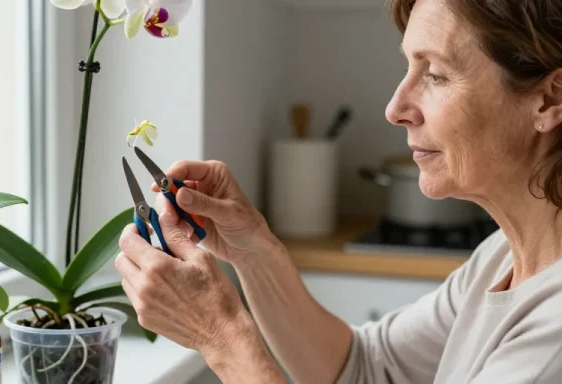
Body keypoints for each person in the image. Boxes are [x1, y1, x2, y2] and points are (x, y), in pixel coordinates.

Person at [115, 0, 562, 382]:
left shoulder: (552, 338)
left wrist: (222, 335)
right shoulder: (501, 258)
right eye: (409, 67)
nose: (395, 109)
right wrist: (253, 249)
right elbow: (364, 369)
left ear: (549, 100)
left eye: (436, 75)